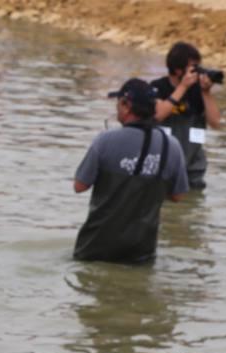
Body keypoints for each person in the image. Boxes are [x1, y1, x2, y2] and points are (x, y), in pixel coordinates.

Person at [72, 79, 188, 264]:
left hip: (95, 247)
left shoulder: (105, 140)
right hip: (140, 252)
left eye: (118, 103)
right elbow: (178, 196)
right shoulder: (171, 146)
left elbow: (79, 186)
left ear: (126, 106)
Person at [150, 41, 221, 190]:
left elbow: (215, 122)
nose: (197, 72)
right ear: (177, 70)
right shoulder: (158, 87)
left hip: (192, 169)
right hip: (161, 166)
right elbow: (159, 115)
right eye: (193, 68)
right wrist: (183, 86)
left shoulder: (199, 91)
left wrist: (206, 92)